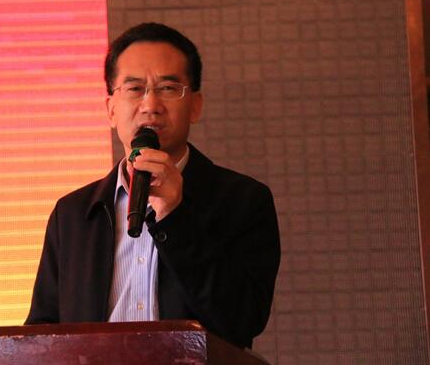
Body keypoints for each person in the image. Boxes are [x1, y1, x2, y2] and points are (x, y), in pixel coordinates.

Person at [25, 22, 280, 349]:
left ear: (195, 105)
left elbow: (243, 321)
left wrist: (175, 216)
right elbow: (43, 332)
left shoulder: (243, 201)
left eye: (168, 88)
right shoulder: (73, 213)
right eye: (134, 88)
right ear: (111, 110)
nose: (150, 105)